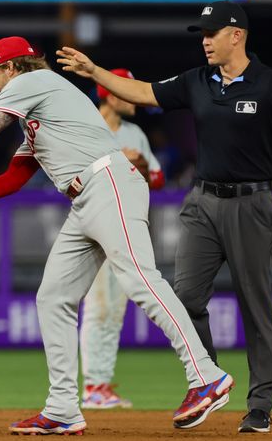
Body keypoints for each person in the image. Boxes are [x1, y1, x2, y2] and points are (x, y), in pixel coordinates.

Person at [0, 36, 233, 435]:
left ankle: (206, 375)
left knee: (141, 280)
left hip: (107, 181)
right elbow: (13, 179)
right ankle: (63, 407)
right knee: (53, 297)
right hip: (85, 198)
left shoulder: (31, 82)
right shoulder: (41, 106)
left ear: (12, 67)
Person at [57, 0, 272, 434]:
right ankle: (209, 379)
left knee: (256, 309)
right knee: (185, 298)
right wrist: (95, 71)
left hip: (251, 204)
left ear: (236, 35)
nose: (204, 41)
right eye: (202, 33)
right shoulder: (197, 81)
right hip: (202, 203)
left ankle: (260, 406)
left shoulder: (269, 82)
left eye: (211, 33)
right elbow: (142, 91)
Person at [80, 69, 165, 410]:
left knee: (114, 309)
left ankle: (100, 384)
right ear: (111, 95)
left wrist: (141, 166)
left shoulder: (134, 133)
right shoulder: (87, 129)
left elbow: (157, 178)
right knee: (98, 308)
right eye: (126, 91)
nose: (132, 98)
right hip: (95, 227)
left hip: (127, 228)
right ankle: (92, 386)